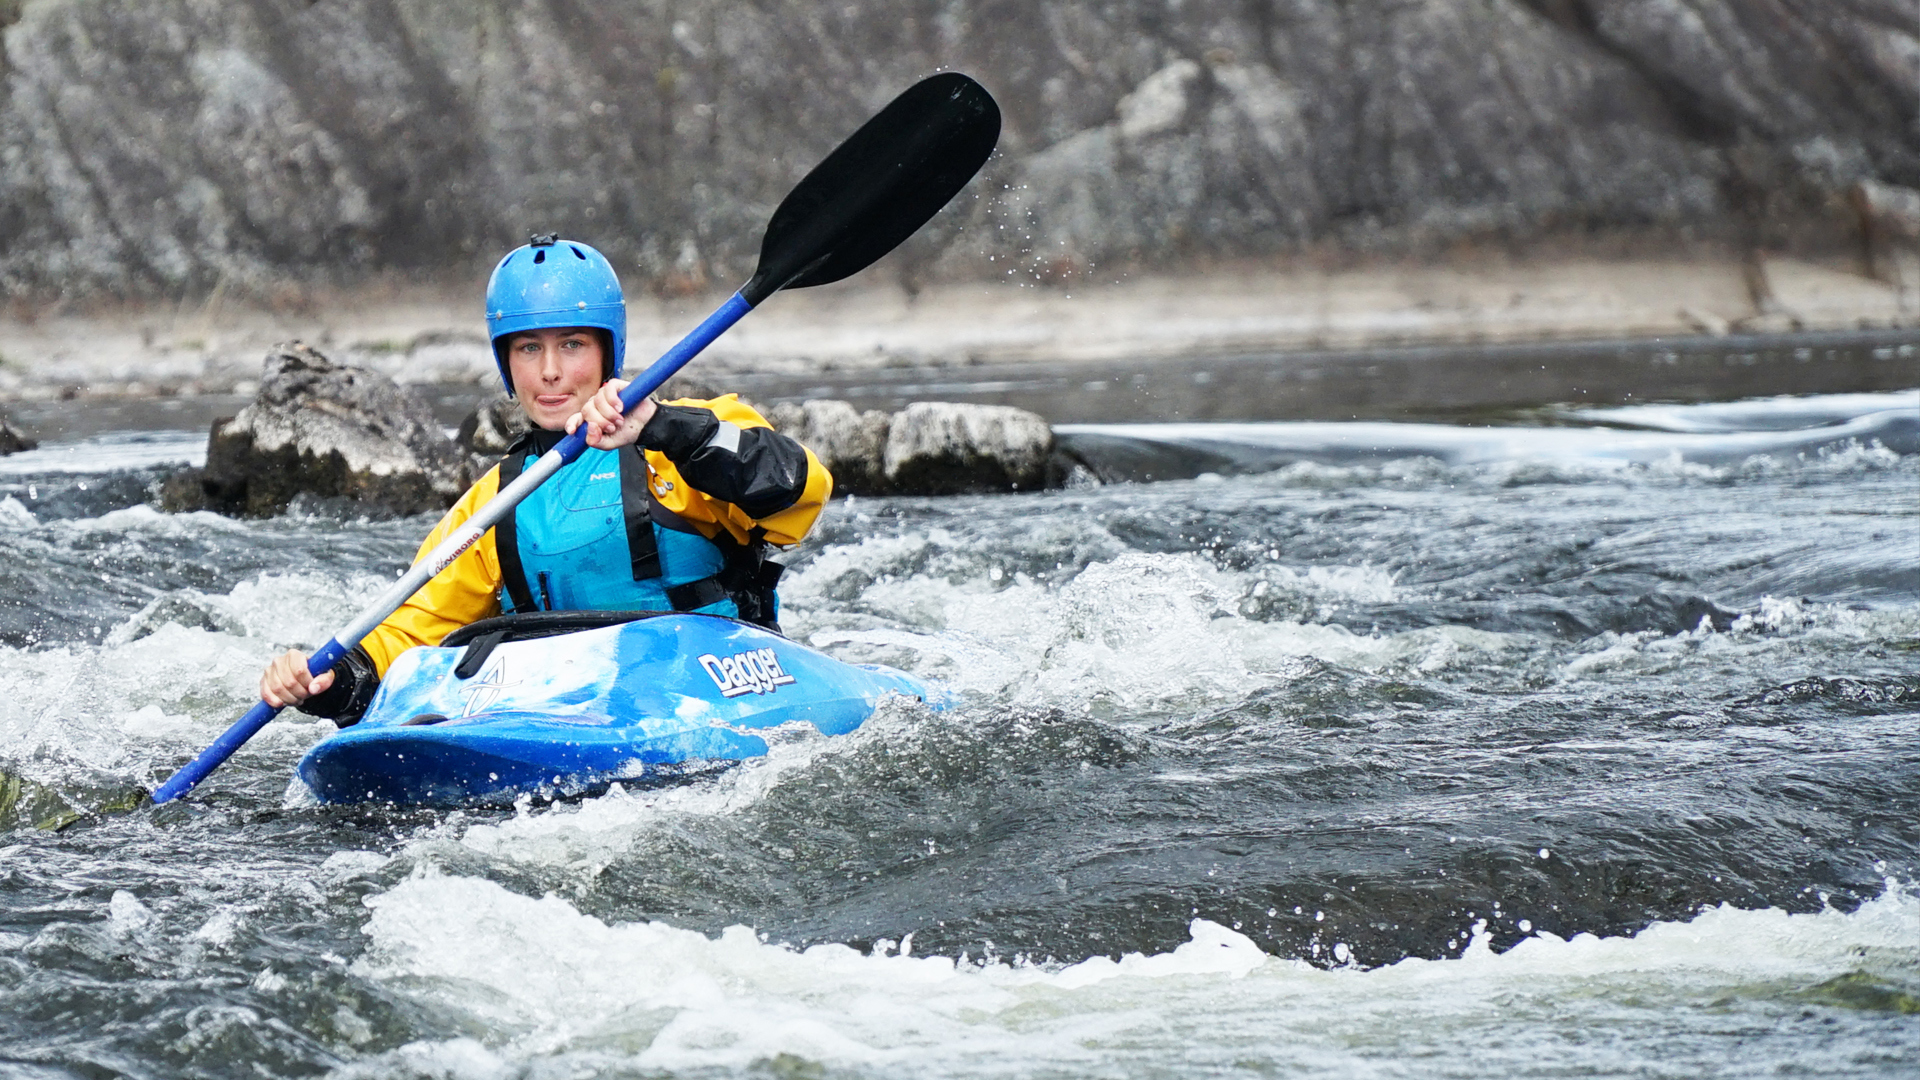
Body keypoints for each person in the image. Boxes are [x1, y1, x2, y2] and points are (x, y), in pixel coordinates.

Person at [258, 235, 831, 724]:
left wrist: (666, 430)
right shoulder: (493, 503)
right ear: (507, 364)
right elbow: (411, 634)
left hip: (713, 681)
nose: (551, 371)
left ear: (610, 351)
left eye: (573, 344)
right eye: (530, 348)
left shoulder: (688, 434)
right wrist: (330, 682)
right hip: (574, 704)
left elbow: (800, 489)